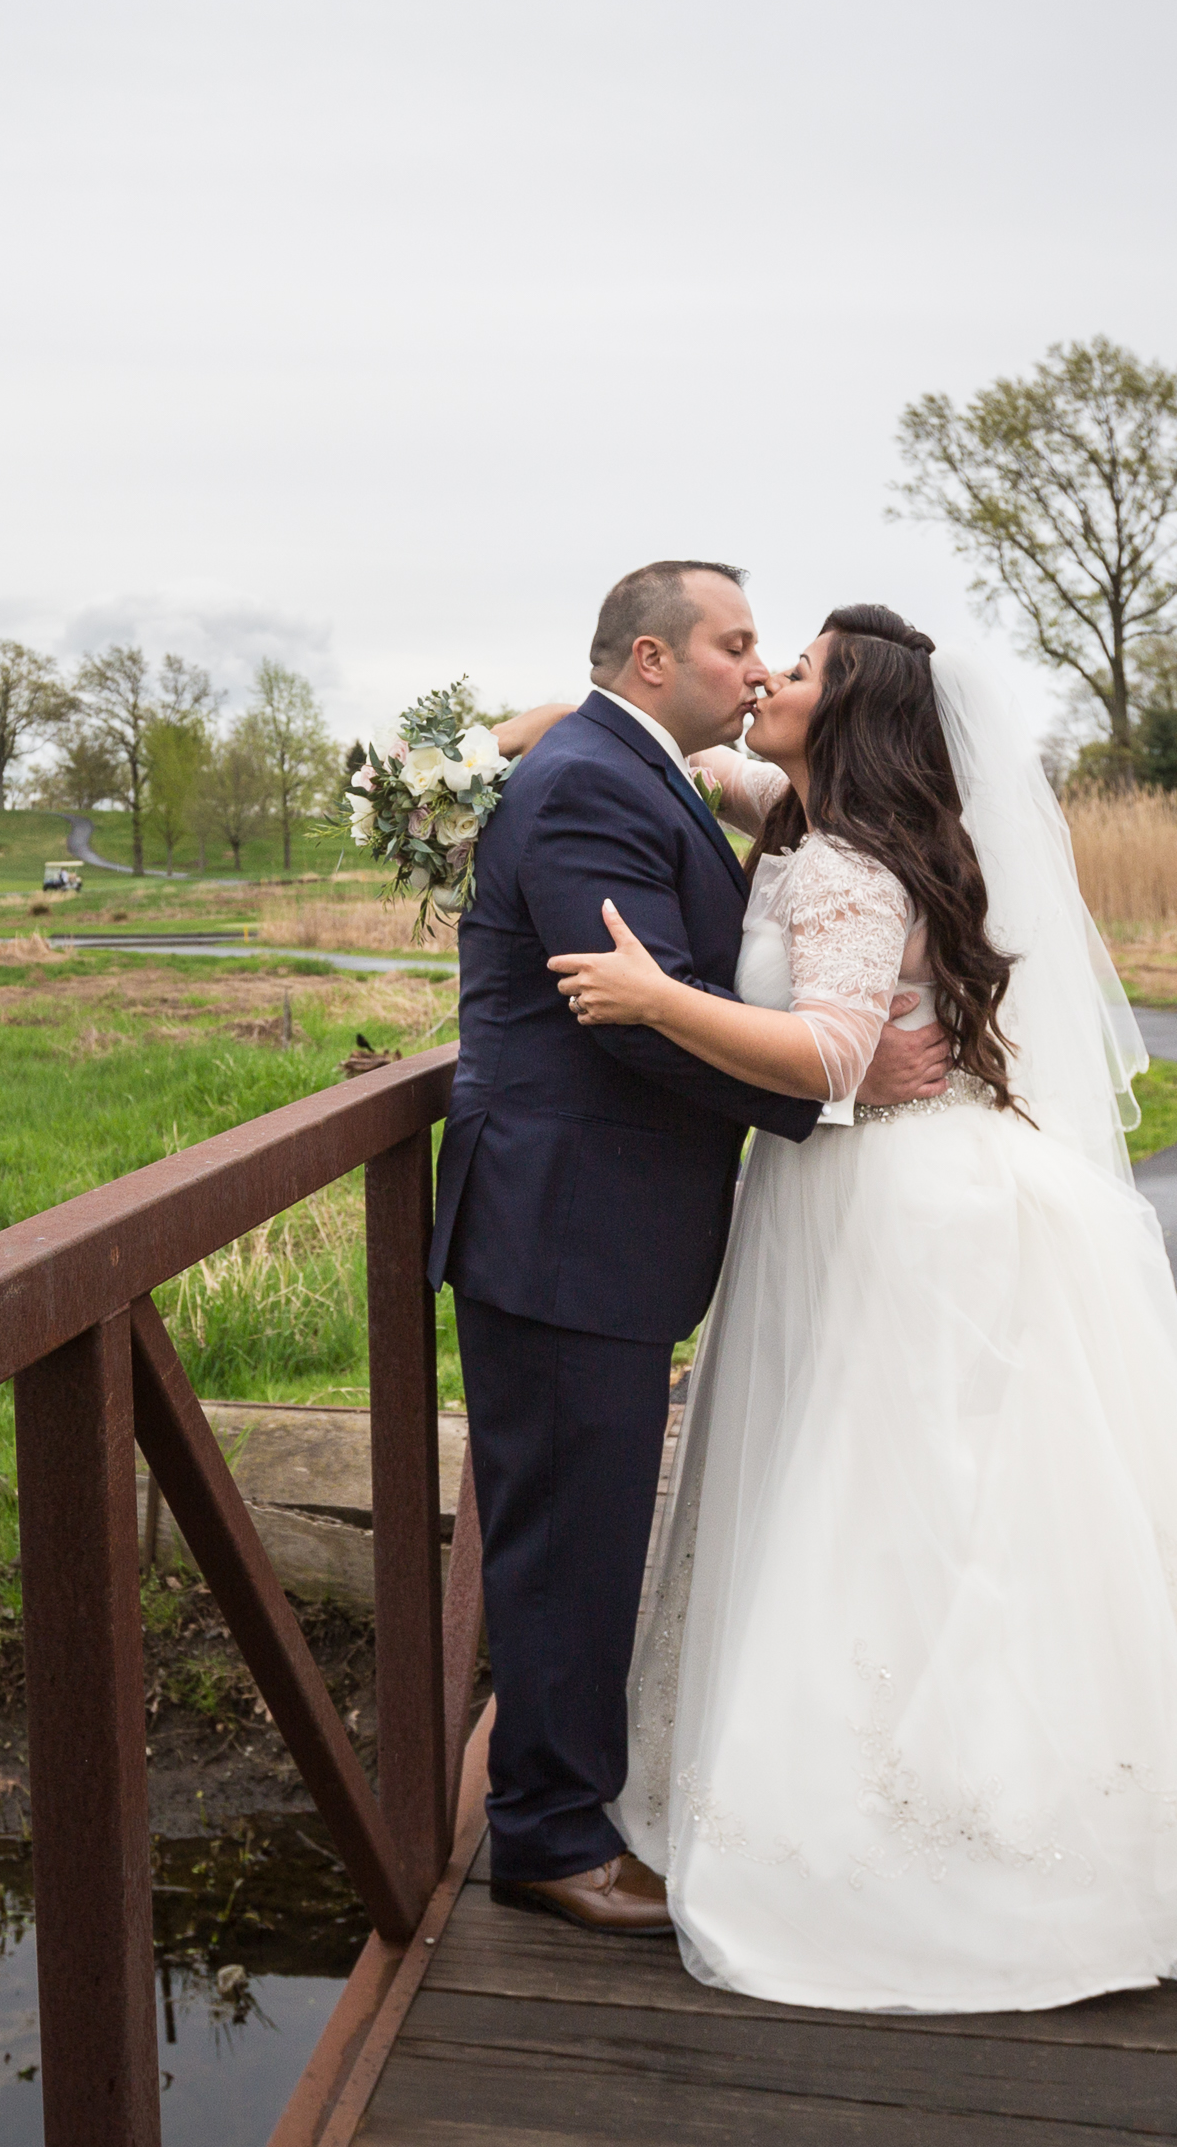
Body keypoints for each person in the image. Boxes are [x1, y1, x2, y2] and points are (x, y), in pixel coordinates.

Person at [541, 604, 1177, 2011]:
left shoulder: (846, 867)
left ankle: (937, 1826)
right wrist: (514, 731)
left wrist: (654, 999)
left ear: (847, 716)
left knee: (892, 1502)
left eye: (800, 670)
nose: (769, 678)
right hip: (880, 1194)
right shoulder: (808, 819)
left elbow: (833, 1058)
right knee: (917, 1497)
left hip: (889, 1213)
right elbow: (699, 762)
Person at [433, 561, 958, 1935]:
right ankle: (550, 1841)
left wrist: (510, 728)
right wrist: (828, 1085)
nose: (758, 666)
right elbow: (632, 1015)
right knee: (569, 1544)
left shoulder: (636, 764)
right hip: (564, 1227)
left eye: (774, 652)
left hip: (589, 1226)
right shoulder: (595, 786)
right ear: (656, 661)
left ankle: (563, 1810)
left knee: (588, 1531)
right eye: (736, 644)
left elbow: (665, 985)